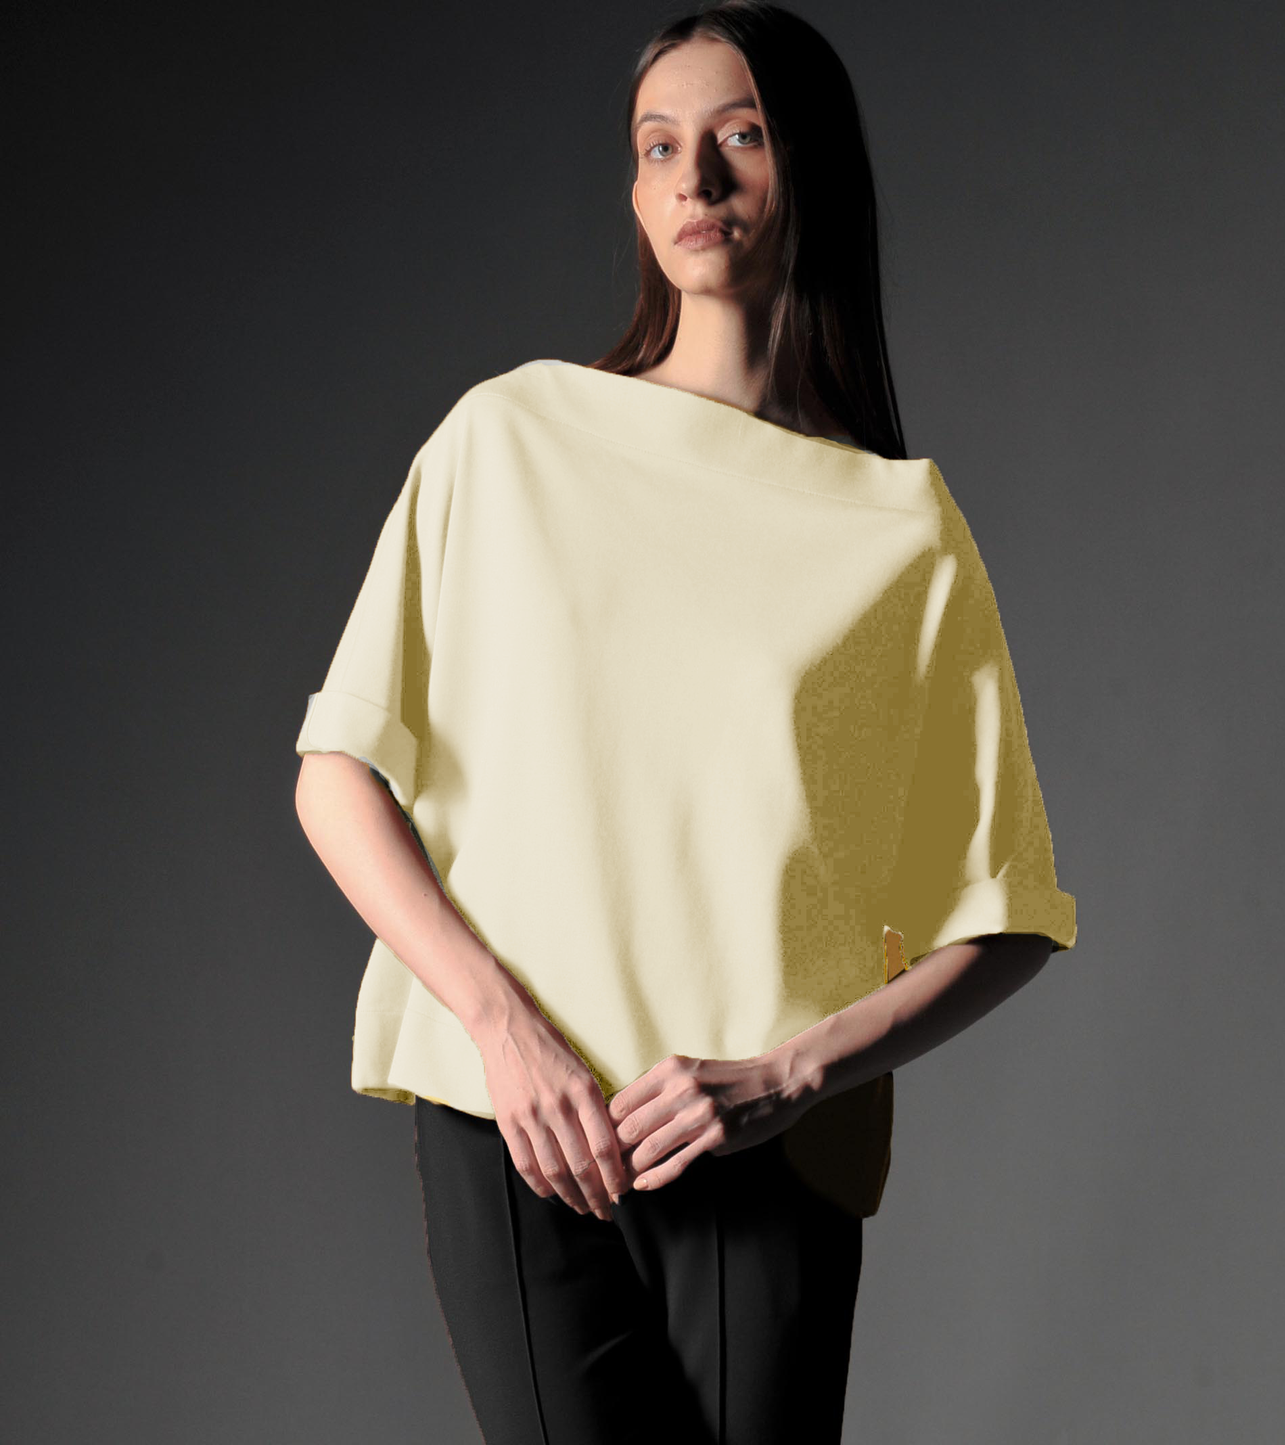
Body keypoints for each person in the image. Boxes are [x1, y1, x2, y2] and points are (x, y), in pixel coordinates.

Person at [292, 4, 1078, 1442]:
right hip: (513, 1116)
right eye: (659, 147)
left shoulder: (901, 532)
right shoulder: (509, 441)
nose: (695, 180)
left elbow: (1007, 913)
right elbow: (338, 775)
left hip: (764, 1151)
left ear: (809, 168)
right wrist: (498, 1028)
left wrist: (790, 1075)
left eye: (741, 137)